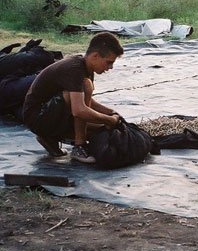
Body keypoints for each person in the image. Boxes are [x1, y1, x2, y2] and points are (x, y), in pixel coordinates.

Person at [21, 32, 124, 164]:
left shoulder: (86, 67)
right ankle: (79, 146)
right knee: (87, 88)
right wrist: (111, 120)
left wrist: (110, 112)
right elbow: (79, 110)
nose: (110, 68)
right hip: (37, 117)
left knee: (102, 129)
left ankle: (49, 138)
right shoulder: (74, 69)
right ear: (95, 56)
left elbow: (86, 102)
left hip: (53, 114)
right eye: (109, 62)